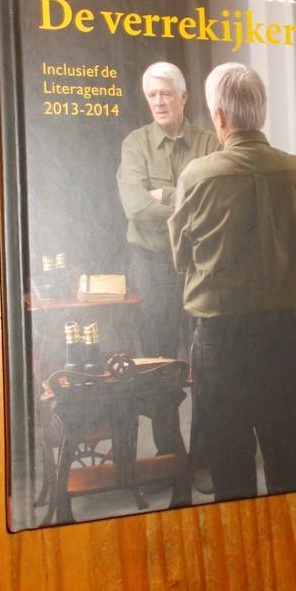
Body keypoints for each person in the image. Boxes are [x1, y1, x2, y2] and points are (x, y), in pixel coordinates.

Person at [168, 62, 296, 501]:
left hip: (221, 343)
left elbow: (180, 258)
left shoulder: (197, 176)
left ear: (218, 115)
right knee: (290, 476)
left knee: (231, 479)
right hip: (285, 338)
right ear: (261, 111)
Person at [117, 62, 218, 458]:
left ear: (184, 97)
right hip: (151, 265)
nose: (158, 102)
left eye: (166, 94)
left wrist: (166, 196)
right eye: (152, 95)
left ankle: (205, 458)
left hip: (199, 265)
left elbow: (215, 202)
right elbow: (137, 208)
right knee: (158, 364)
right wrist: (187, 201)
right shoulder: (135, 144)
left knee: (206, 360)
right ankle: (170, 457)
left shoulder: (209, 143)